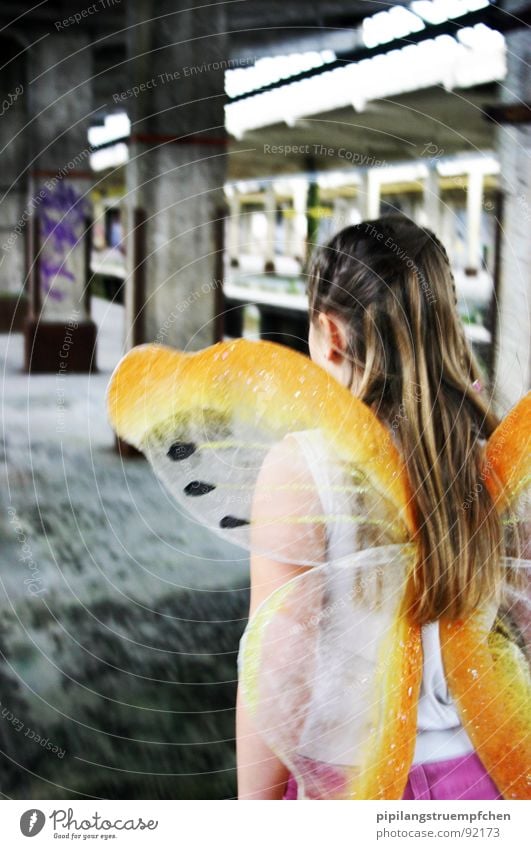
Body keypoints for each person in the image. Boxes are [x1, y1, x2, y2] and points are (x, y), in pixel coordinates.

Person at [236, 215, 522, 801]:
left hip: (351, 787)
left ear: (329, 334)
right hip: (480, 780)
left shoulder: (304, 466)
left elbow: (278, 668)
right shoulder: (490, 458)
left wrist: (253, 813)